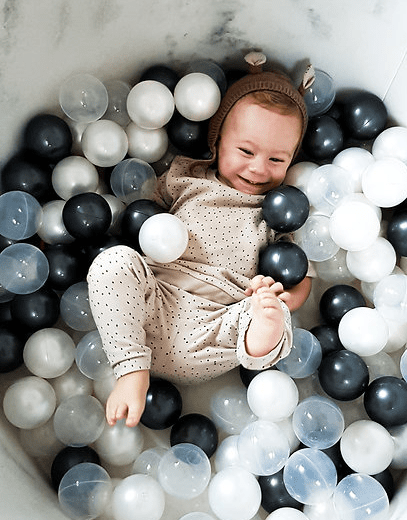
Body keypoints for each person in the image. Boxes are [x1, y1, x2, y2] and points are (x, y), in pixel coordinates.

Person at [87, 55, 314, 427]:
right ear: (218, 140)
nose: (258, 168)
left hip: (216, 325)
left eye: (277, 159)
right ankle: (130, 369)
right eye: (245, 151)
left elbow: (298, 276)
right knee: (112, 262)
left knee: (272, 316)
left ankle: (262, 339)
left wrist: (274, 302)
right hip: (153, 300)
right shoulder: (186, 178)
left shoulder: (278, 209)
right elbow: (140, 219)